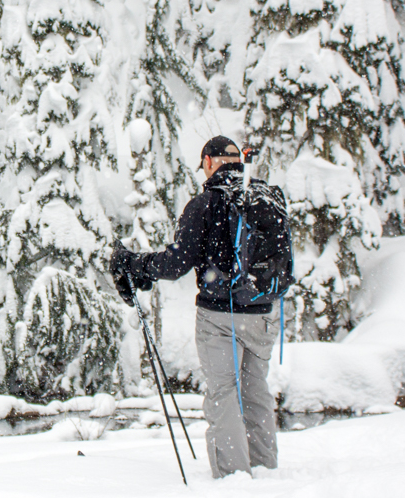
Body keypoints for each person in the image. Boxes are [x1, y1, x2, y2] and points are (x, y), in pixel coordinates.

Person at [110, 135, 290, 479]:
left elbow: (177, 263)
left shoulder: (205, 204)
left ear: (208, 161)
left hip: (220, 315)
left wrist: (137, 265)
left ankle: (234, 477)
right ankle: (266, 471)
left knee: (224, 394)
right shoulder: (267, 198)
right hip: (264, 313)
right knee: (256, 392)